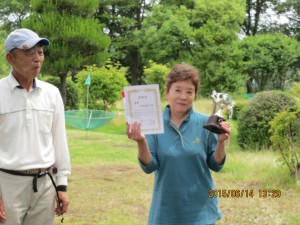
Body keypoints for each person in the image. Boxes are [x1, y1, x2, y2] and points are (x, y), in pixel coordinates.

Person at [126, 63, 231, 225]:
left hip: (201, 213)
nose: (183, 96)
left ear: (195, 95)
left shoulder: (206, 122)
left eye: (189, 91)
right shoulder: (155, 124)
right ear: (167, 93)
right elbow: (149, 166)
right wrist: (141, 141)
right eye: (178, 90)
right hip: (166, 212)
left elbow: (215, 165)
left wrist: (221, 143)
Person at [0, 28, 71, 225]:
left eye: (40, 52)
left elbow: (59, 141)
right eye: (29, 52)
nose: (37, 58)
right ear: (10, 58)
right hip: (7, 184)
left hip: (45, 185)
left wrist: (62, 186)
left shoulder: (52, 93)